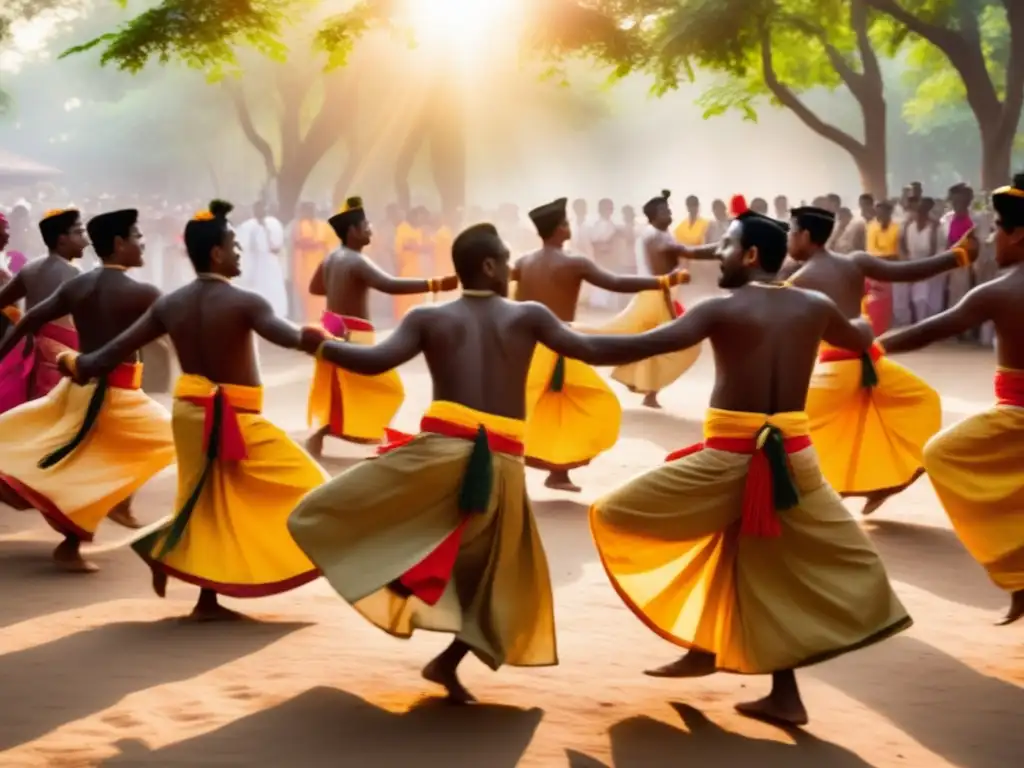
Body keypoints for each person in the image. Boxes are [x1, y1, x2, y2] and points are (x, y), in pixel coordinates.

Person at [288, 222, 717, 703]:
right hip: (497, 461)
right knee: (500, 571)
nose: (513, 267)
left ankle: (441, 649)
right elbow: (592, 349)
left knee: (451, 547)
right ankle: (430, 627)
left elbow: (373, 362)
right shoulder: (527, 315)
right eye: (506, 258)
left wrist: (319, 344)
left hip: (441, 454)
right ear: (489, 266)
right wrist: (667, 338)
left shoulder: (430, 319)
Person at [589, 210, 911, 727]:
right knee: (753, 556)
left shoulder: (722, 308)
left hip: (729, 461)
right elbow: (857, 340)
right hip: (796, 460)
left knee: (613, 512)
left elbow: (642, 346)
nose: (718, 253)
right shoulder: (815, 305)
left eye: (726, 246)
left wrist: (557, 338)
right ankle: (743, 670)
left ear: (751, 255)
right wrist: (859, 322)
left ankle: (716, 654)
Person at [67, 200, 328, 621]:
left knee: (205, 502)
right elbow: (290, 337)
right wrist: (326, 342)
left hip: (190, 413)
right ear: (218, 254)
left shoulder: (170, 304)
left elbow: (106, 355)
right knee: (309, 484)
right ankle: (167, 553)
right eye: (235, 245)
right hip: (235, 417)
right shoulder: (246, 302)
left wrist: (76, 364)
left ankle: (202, 593)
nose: (241, 253)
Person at [877, 174, 1024, 625]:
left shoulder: (1000, 291)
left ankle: (1017, 572)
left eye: (998, 226)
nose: (992, 236)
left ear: (1019, 234)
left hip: (1015, 417)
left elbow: (928, 331)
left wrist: (871, 347)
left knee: (941, 453)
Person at [0, 210, 175, 572]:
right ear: (118, 244)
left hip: (80, 386)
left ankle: (109, 509)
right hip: (115, 392)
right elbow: (172, 331)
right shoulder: (140, 291)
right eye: (137, 237)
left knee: (75, 455)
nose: (143, 243)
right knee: (171, 440)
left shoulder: (77, 284)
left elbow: (31, 318)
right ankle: (106, 514)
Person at [784, 205, 977, 515]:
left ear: (806, 236)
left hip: (836, 372)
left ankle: (784, 499)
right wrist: (959, 256)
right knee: (923, 400)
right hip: (871, 363)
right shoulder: (855, 262)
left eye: (790, 234)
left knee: (781, 430)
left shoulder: (799, 281)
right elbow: (909, 271)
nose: (788, 242)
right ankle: (883, 482)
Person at [515, 197, 688, 492]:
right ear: (559, 230)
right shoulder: (573, 262)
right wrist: (661, 282)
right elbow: (616, 282)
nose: (569, 227)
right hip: (560, 342)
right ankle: (536, 468)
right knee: (591, 401)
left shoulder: (522, 262)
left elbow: (511, 296)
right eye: (566, 223)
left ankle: (557, 472)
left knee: (537, 404)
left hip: (527, 343)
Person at [305, 196, 458, 457]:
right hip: (353, 331)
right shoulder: (356, 260)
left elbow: (315, 288)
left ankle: (334, 435)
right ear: (352, 231)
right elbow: (388, 284)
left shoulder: (332, 258)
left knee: (343, 391)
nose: (371, 229)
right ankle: (355, 436)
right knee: (388, 387)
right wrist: (434, 284)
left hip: (333, 325)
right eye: (366, 225)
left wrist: (341, 288)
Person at [595, 190, 702, 408]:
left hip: (657, 295)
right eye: (664, 211)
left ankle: (645, 388)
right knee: (666, 342)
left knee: (646, 341)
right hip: (654, 296)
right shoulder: (653, 236)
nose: (670, 213)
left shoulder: (663, 234)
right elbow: (661, 276)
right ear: (653, 216)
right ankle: (641, 386)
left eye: (669, 209)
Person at [0, 208, 86, 414]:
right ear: (62, 239)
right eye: (80, 233)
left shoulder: (31, 268)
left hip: (30, 346)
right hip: (63, 350)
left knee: (31, 405)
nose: (86, 241)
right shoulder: (74, 273)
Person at [236, 201, 288, 317]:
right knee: (256, 288)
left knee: (272, 288)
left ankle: (276, 313)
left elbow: (277, 246)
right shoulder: (248, 225)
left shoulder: (273, 223)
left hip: (269, 263)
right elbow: (241, 245)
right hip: (254, 263)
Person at [291, 201, 337, 323]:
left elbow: (331, 244)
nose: (309, 212)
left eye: (311, 209)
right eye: (306, 209)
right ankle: (311, 320)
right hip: (305, 265)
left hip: (321, 263)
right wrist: (316, 244)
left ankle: (323, 320)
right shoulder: (299, 226)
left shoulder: (324, 225)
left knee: (322, 294)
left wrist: (317, 245)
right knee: (308, 293)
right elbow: (299, 243)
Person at [901, 197, 942, 322]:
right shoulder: (909, 227)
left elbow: (933, 250)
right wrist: (907, 260)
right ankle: (918, 323)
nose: (919, 213)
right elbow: (903, 245)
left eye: (923, 210)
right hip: (913, 264)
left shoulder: (934, 228)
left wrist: (926, 266)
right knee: (916, 298)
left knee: (929, 300)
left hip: (930, 265)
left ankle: (927, 324)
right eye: (917, 210)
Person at [864, 200, 901, 334]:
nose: (880, 215)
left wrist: (888, 258)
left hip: (893, 267)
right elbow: (871, 249)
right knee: (875, 301)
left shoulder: (897, 227)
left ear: (889, 212)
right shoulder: (871, 226)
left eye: (883, 212)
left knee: (893, 300)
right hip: (875, 267)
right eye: (878, 213)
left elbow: (897, 251)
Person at [393, 207, 432, 319]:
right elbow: (412, 246)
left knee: (417, 296)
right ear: (414, 216)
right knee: (405, 295)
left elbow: (423, 247)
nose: (422, 221)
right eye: (421, 217)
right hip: (405, 268)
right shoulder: (403, 228)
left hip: (416, 268)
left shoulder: (418, 230)